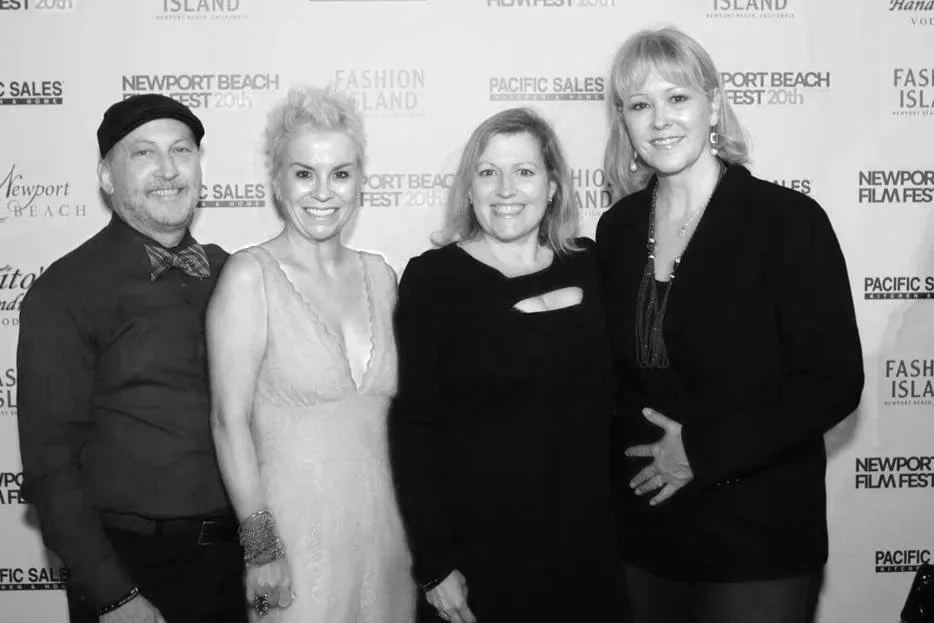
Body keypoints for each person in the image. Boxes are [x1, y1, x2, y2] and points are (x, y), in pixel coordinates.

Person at [595, 26, 864, 623]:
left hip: (756, 536)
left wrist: (700, 450)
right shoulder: (615, 230)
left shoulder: (787, 223)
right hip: (644, 535)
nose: (660, 120)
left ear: (713, 104)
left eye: (678, 98)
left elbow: (833, 380)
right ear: (625, 123)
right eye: (640, 105)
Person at [16, 94, 246, 622]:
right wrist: (115, 596)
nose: (168, 170)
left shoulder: (233, 273)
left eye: (181, 150)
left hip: (236, 567)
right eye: (143, 154)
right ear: (105, 175)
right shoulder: (66, 291)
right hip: (133, 569)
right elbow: (51, 466)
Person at [390, 107, 618, 623]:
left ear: (554, 185)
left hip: (590, 551)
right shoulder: (434, 279)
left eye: (525, 171)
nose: (505, 189)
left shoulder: (592, 264)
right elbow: (413, 427)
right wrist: (435, 564)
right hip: (479, 559)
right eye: (488, 172)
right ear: (469, 189)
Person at [207, 85, 416, 622]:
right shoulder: (249, 277)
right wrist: (261, 547)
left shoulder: (381, 274)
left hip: (387, 539)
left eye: (340, 174)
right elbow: (228, 422)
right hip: (292, 544)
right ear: (277, 181)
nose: (323, 192)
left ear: (359, 181)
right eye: (304, 173)